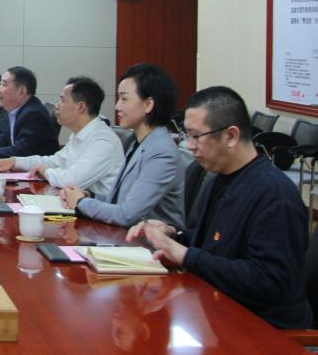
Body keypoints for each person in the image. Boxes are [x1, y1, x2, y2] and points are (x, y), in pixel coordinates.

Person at [127, 86, 311, 329]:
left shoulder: (275, 195)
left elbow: (270, 281)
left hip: (264, 328)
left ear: (231, 136)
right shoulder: (218, 179)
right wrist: (174, 235)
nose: (189, 146)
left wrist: (185, 255)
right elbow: (217, 244)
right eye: (186, 135)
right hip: (218, 311)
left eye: (196, 136)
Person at [62, 63, 184, 229]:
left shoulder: (162, 153)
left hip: (146, 242)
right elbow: (119, 201)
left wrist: (80, 202)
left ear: (148, 104)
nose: (117, 106)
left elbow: (126, 215)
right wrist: (89, 196)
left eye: (124, 99)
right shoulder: (137, 142)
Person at [0, 76, 123, 198]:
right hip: (71, 203)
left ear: (81, 107)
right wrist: (14, 162)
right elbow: (55, 161)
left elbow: (71, 181)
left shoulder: (103, 142)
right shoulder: (80, 134)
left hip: (94, 213)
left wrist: (46, 171)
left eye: (62, 100)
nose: (57, 106)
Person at [0, 66, 57, 158]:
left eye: (4, 85)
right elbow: (4, 138)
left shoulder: (33, 114)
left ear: (21, 91)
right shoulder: (15, 110)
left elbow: (23, 150)